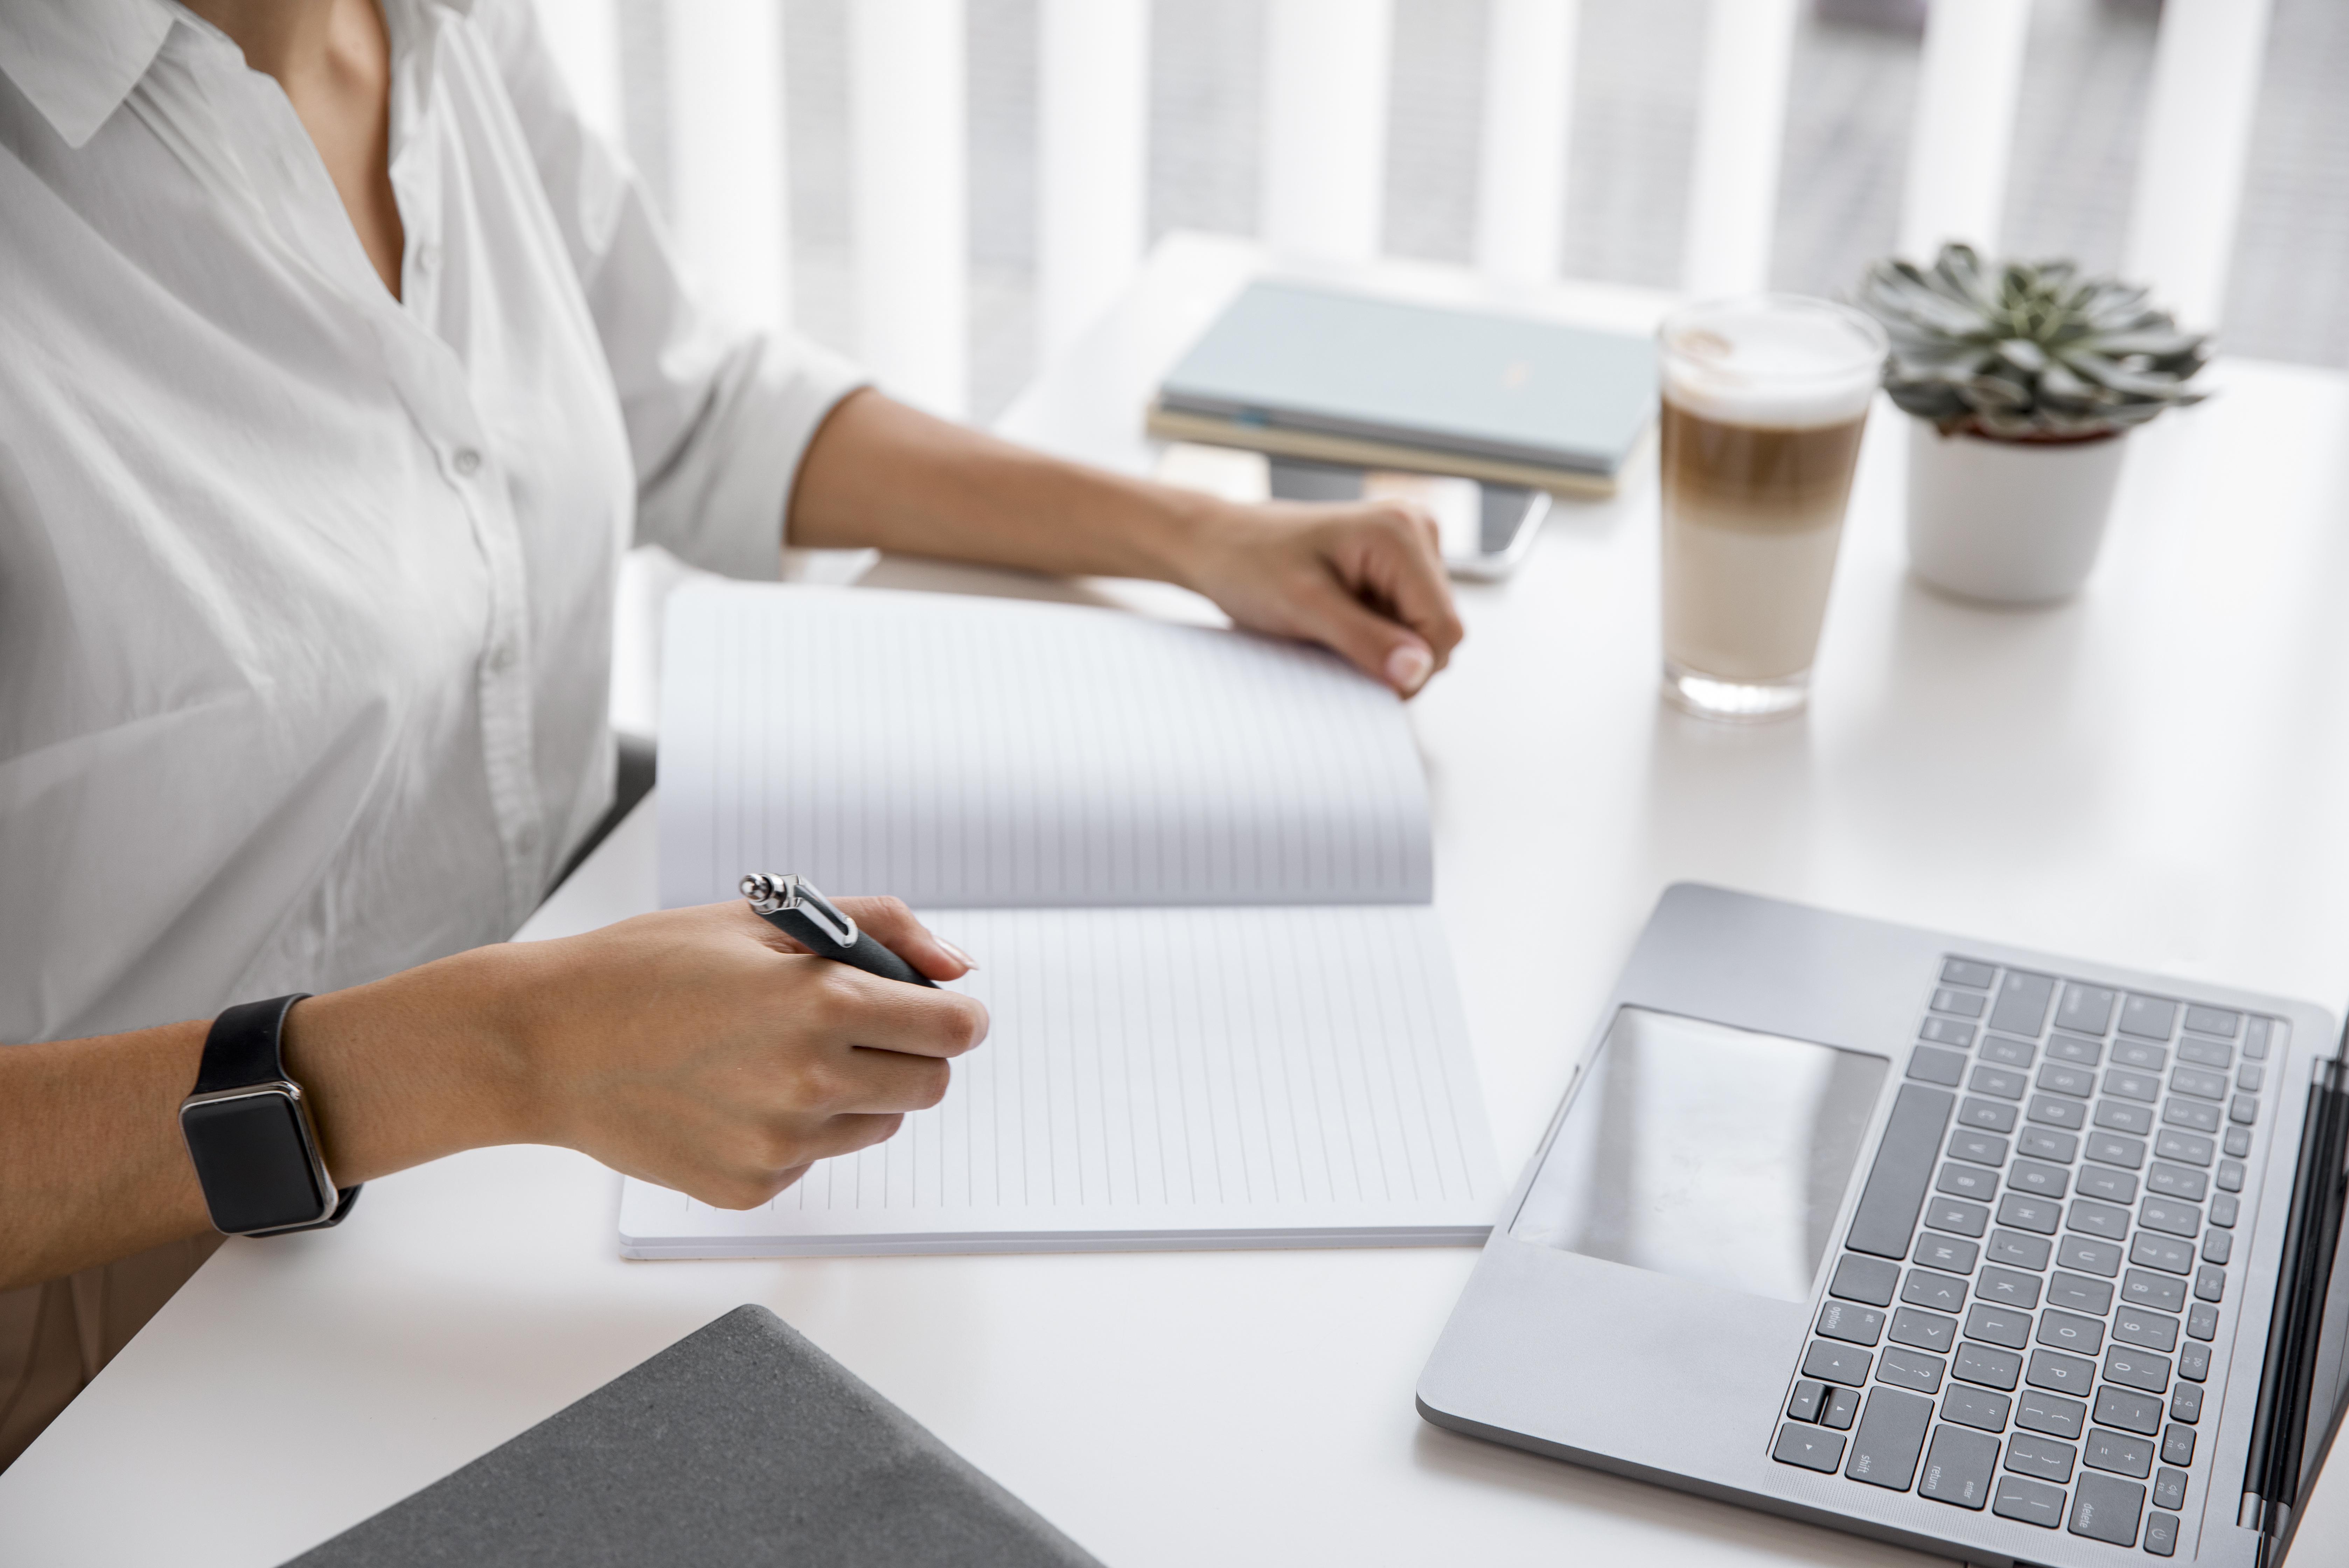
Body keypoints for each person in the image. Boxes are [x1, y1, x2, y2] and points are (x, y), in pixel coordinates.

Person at [0, 0, 1463, 1462]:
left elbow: (692, 409)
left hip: (537, 1160)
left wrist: (1200, 535)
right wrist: (509, 1048)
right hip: (145, 1318)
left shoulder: (439, 33)